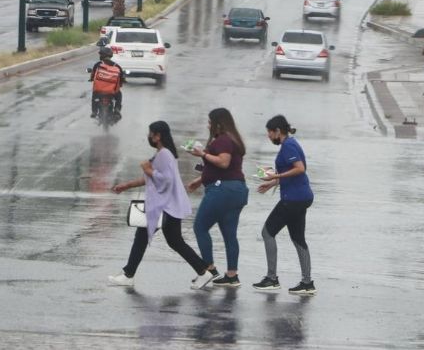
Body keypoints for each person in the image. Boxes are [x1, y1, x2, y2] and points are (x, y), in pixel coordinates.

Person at [109, 121, 216, 289]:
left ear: (158, 136)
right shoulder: (163, 153)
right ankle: (203, 272)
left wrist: (148, 169)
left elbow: (166, 180)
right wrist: (127, 185)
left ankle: (128, 275)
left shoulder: (164, 154)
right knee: (175, 241)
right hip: (168, 205)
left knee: (143, 237)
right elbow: (152, 178)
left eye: (150, 133)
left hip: (165, 205)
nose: (149, 136)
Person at [253, 115, 316, 295]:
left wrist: (276, 176)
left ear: (278, 131)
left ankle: (271, 278)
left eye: (269, 132)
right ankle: (307, 283)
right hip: (301, 197)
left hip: (293, 199)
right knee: (298, 238)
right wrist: (273, 183)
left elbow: (300, 168)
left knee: (267, 233)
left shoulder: (288, 146)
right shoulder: (290, 143)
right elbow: (293, 172)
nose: (268, 136)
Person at [187, 108, 249, 288]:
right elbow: (228, 168)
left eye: (210, 122)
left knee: (200, 227)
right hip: (237, 190)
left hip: (222, 191)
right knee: (230, 234)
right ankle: (232, 276)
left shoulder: (223, 140)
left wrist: (202, 154)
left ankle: (209, 269)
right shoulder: (233, 139)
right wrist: (200, 180)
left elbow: (223, 162)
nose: (208, 125)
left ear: (219, 123)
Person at [89, 47, 125, 119]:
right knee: (119, 95)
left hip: (99, 90)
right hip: (112, 91)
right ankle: (117, 109)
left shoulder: (98, 65)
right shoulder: (117, 66)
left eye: (100, 54)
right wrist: (120, 84)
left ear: (102, 55)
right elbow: (121, 78)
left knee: (94, 95)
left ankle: (94, 111)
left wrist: (91, 79)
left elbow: (92, 75)